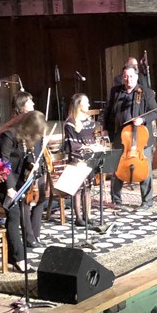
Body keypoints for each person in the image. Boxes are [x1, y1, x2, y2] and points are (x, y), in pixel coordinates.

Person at [0, 110, 47, 273]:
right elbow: (2, 163)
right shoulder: (8, 135)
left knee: (16, 216)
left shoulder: (27, 138)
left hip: (20, 181)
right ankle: (19, 259)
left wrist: (33, 165)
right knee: (14, 217)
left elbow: (25, 158)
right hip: (5, 182)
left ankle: (14, 256)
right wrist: (10, 187)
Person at [103, 66, 157, 210]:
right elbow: (108, 111)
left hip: (140, 138)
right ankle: (116, 200)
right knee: (116, 169)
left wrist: (143, 120)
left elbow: (156, 113)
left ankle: (147, 201)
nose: (128, 80)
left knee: (145, 170)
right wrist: (104, 128)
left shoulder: (145, 92)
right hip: (121, 137)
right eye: (125, 77)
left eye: (131, 77)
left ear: (136, 76)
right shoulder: (116, 91)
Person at [11, 91, 48, 247]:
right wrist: (30, 163)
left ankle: (36, 234)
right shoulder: (16, 127)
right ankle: (28, 237)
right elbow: (18, 151)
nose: (33, 104)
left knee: (41, 198)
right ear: (21, 106)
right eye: (30, 102)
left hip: (38, 164)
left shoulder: (35, 123)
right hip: (24, 168)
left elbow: (37, 145)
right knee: (25, 202)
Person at [64, 93, 97, 223]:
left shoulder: (89, 122)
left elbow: (91, 139)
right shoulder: (70, 123)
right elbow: (72, 145)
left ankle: (87, 216)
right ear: (79, 105)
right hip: (77, 159)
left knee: (88, 188)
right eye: (86, 102)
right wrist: (85, 148)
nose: (89, 105)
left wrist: (94, 146)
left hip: (89, 158)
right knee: (78, 188)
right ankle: (78, 217)